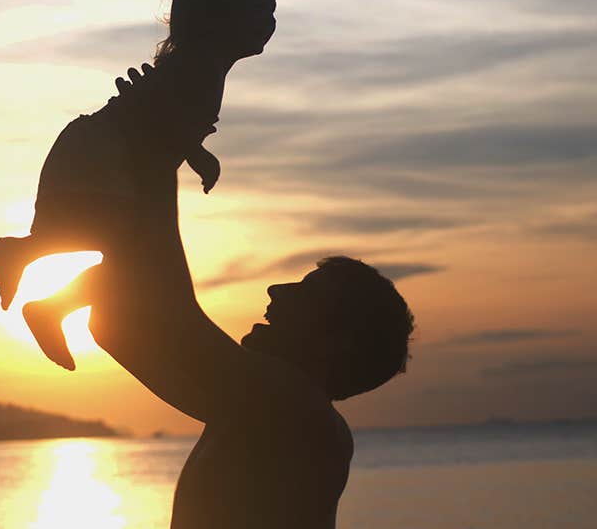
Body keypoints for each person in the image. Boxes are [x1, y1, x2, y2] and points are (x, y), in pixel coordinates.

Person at [76, 69, 416, 527]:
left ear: (336, 341)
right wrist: (151, 150)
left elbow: (176, 319)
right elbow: (114, 329)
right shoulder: (245, 412)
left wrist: (160, 145)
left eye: (307, 294)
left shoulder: (295, 412)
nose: (276, 290)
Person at [0, 0, 278, 371]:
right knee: (129, 255)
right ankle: (37, 282)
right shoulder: (199, 67)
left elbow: (164, 118)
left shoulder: (203, 68)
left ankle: (43, 291)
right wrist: (196, 154)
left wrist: (192, 148)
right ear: (221, 15)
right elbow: (156, 115)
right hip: (102, 153)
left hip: (102, 150)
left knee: (124, 254)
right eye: (261, 10)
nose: (270, 22)